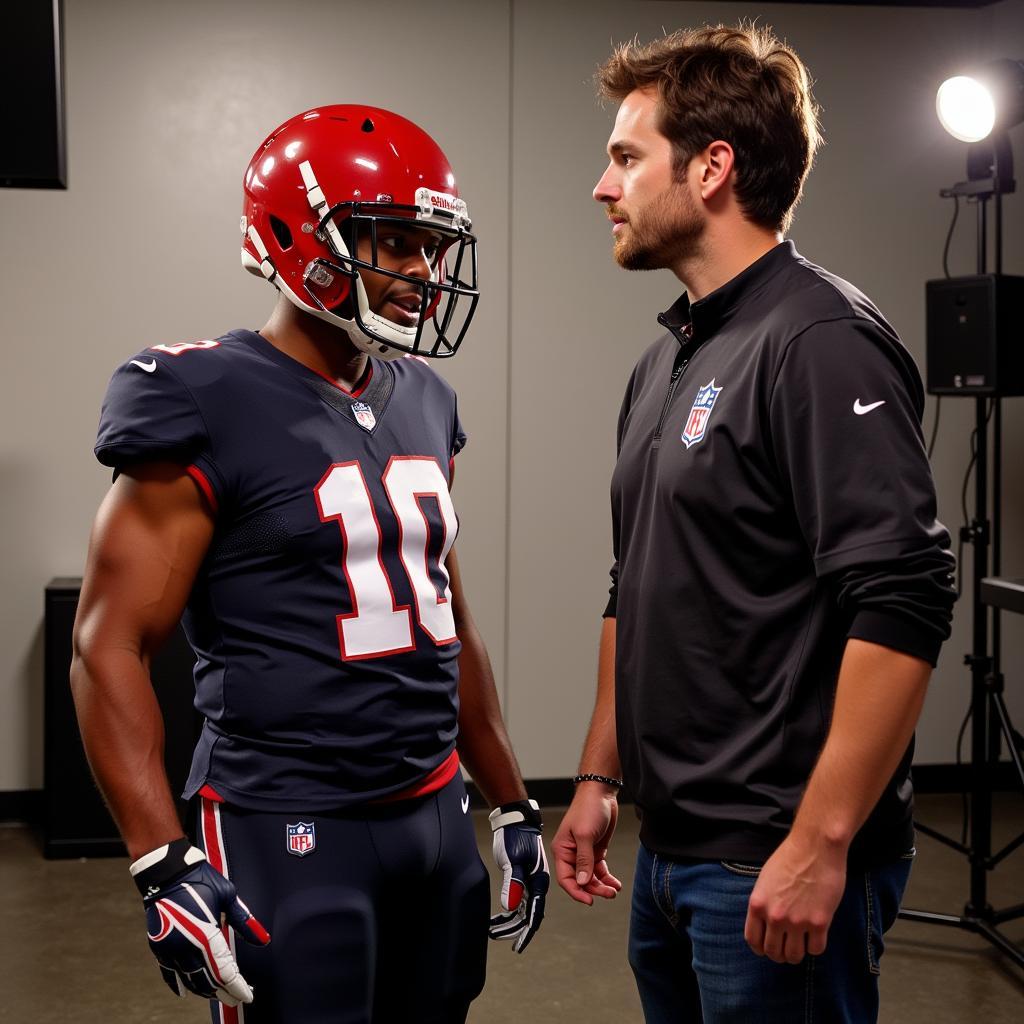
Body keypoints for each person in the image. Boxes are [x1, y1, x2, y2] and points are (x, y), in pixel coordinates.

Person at [70, 104, 548, 1024]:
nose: (423, 274)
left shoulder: (427, 398)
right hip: (284, 816)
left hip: (433, 809)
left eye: (432, 247)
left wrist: (513, 802)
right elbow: (107, 645)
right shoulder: (202, 395)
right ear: (297, 239)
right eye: (394, 243)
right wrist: (159, 858)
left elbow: (444, 611)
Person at [552, 24, 956, 1024]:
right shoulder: (667, 360)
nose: (603, 188)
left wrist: (820, 844)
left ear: (712, 169)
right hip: (673, 846)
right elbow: (632, 581)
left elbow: (902, 598)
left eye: (626, 157)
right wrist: (599, 773)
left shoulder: (820, 340)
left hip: (774, 857)